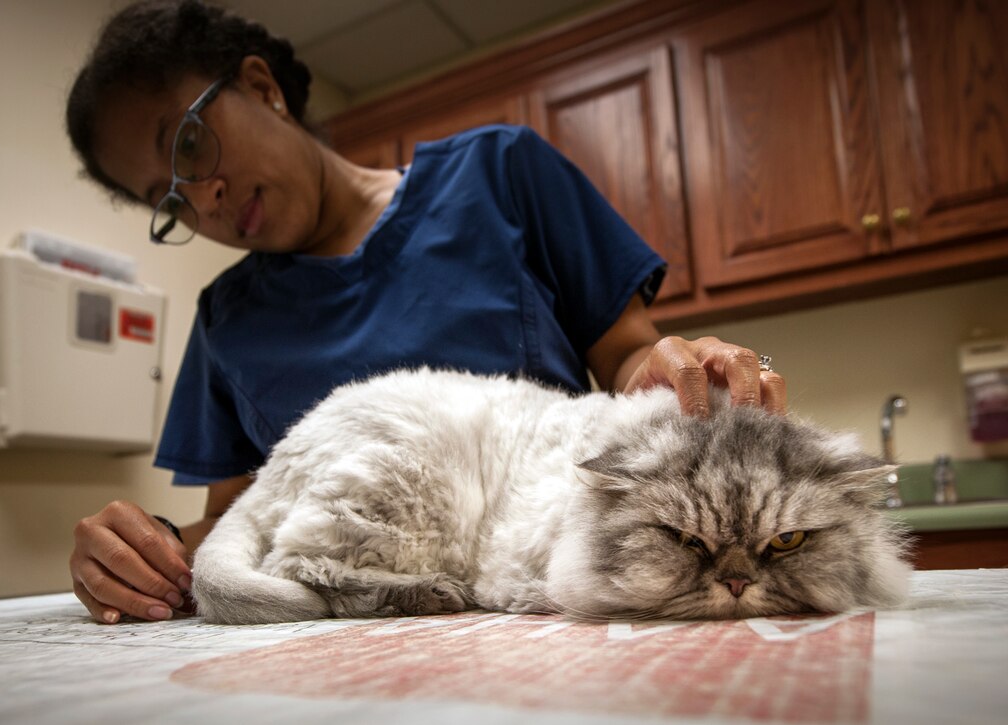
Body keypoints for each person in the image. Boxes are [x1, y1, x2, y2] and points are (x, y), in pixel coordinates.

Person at [66, 0, 786, 625]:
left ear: (262, 88)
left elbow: (629, 358)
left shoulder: (502, 172)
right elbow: (238, 520)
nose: (204, 197)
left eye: (188, 144)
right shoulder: (226, 317)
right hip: (346, 636)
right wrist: (139, 549)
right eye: (169, 199)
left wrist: (679, 370)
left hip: (537, 588)